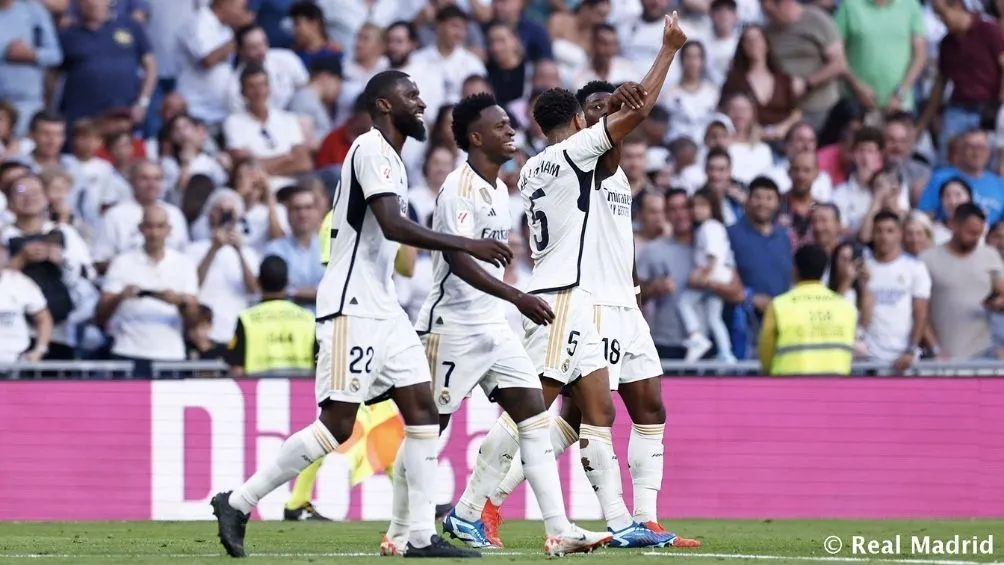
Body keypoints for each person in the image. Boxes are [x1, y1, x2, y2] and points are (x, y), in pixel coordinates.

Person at [210, 69, 512, 559]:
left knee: (423, 415)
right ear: (383, 104)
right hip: (351, 307)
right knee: (336, 426)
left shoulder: (391, 157)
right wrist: (465, 243)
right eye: (410, 95)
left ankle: (418, 536)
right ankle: (238, 502)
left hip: (384, 308)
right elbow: (393, 225)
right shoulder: (372, 148)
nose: (420, 101)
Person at [454, 12, 688, 551]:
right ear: (582, 122)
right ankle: (471, 507)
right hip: (567, 297)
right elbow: (640, 111)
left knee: (595, 414)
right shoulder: (571, 157)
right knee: (535, 408)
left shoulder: (550, 166)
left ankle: (627, 523)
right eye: (599, 114)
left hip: (591, 300)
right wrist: (667, 50)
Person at [378, 92, 610, 557]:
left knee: (532, 416)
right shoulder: (458, 188)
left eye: (510, 124)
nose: (511, 131)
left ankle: (559, 529)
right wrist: (516, 295)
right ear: (476, 136)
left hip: (494, 329)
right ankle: (401, 530)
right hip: (453, 329)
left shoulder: (502, 190)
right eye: (501, 126)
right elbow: (458, 259)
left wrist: (508, 302)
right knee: (430, 428)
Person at [758, 244, 859, 375]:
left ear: (795, 270)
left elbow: (766, 355)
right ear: (824, 271)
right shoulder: (846, 308)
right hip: (835, 389)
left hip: (789, 388)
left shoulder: (779, 306)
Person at [678, 188, 736, 362]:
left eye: (702, 205)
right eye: (694, 206)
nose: (697, 210)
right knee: (714, 318)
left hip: (714, 274)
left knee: (684, 303)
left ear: (713, 207)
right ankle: (726, 353)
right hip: (719, 275)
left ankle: (696, 337)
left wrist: (705, 277)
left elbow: (713, 255)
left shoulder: (709, 227)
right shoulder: (712, 227)